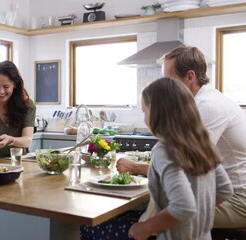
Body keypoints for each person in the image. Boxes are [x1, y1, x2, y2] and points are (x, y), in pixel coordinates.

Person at [82, 78, 233, 240]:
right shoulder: (202, 144)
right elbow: (225, 190)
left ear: (156, 113)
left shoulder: (165, 150)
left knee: (89, 226)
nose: (144, 118)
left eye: (144, 111)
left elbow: (183, 207)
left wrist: (145, 228)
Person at [117, 45, 246, 228]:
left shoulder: (207, 106)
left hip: (237, 202)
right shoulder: (198, 102)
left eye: (169, 79)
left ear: (190, 76)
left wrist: (137, 167)